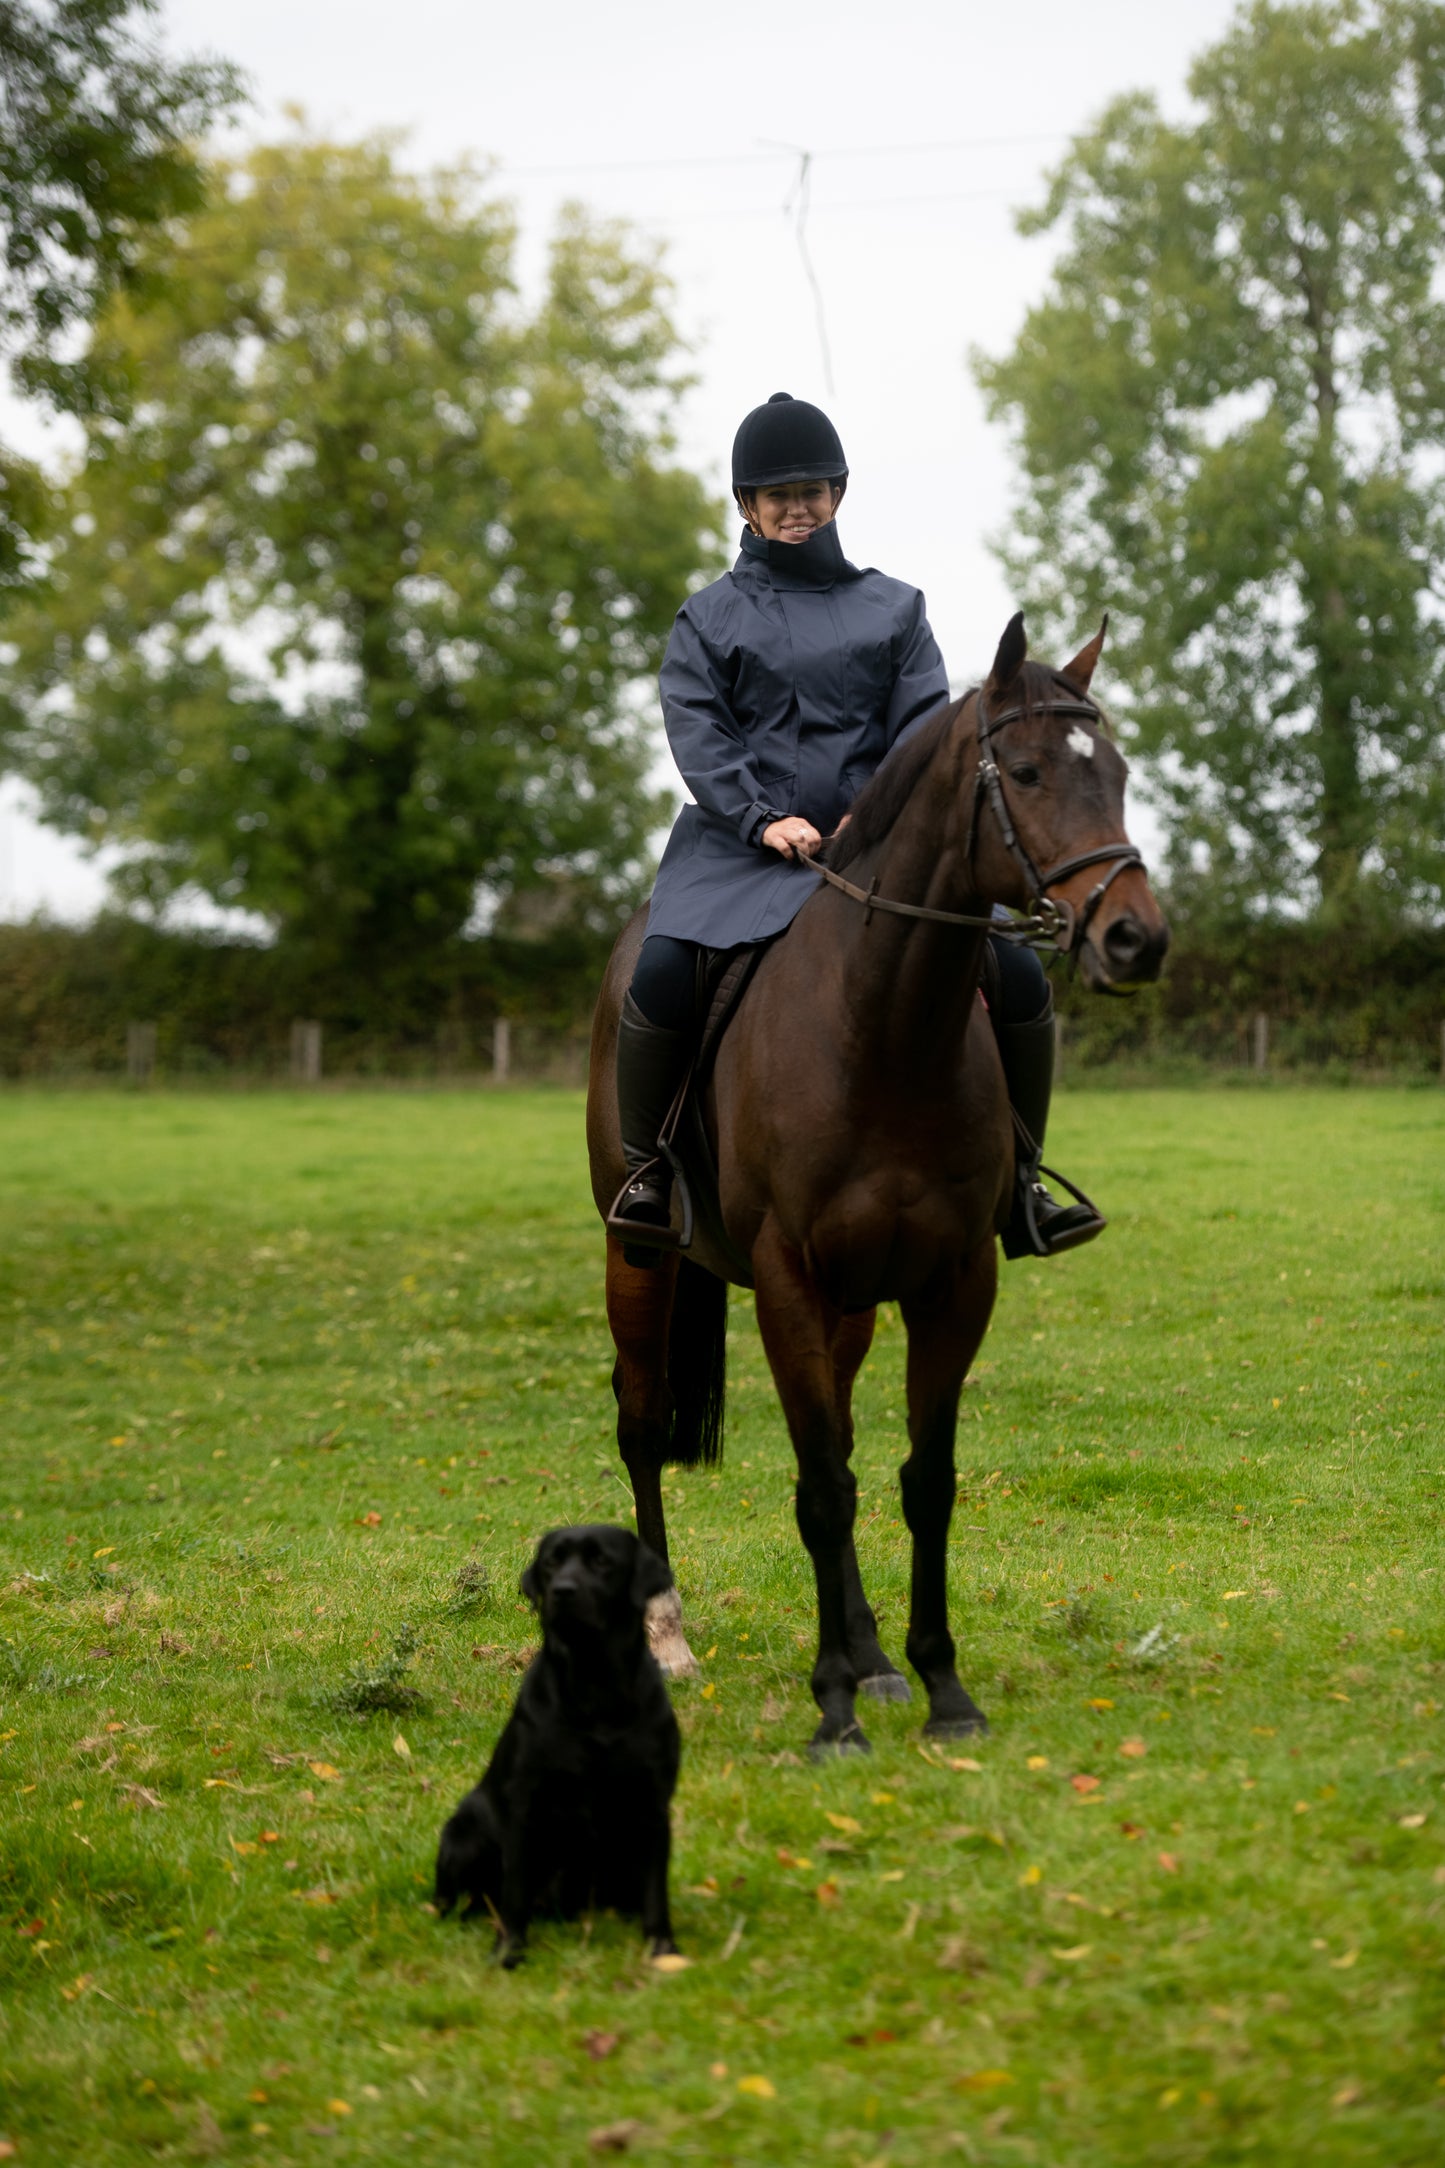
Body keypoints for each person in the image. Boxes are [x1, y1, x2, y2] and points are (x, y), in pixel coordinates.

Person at [608, 391, 1103, 1264]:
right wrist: (765, 820)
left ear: (836, 494)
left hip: (879, 853)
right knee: (656, 971)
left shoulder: (895, 609)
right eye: (778, 495)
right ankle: (648, 1174)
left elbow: (919, 729)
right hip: (739, 852)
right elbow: (699, 732)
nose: (797, 507)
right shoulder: (705, 618)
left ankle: (1021, 1179)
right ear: (746, 507)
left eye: (811, 490)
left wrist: (862, 815)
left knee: (1019, 974)